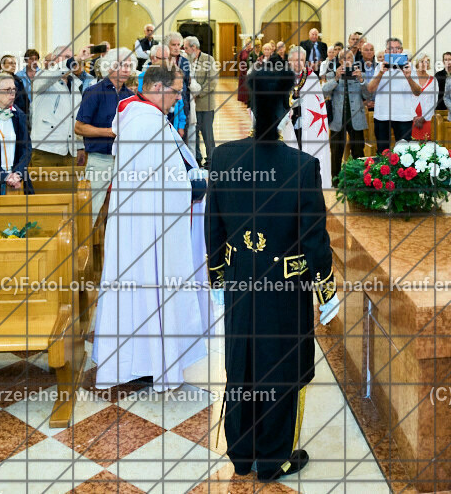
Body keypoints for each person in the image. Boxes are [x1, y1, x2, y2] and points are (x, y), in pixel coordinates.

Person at [206, 65, 339, 483]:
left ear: (248, 102)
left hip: (241, 281)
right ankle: (273, 459)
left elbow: (214, 224)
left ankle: (242, 454)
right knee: (280, 368)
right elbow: (314, 237)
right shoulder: (301, 166)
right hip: (285, 286)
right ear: (285, 108)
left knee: (242, 362)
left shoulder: (224, 156)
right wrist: (326, 288)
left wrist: (217, 275)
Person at [91, 64, 210, 393]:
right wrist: (193, 186)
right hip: (149, 228)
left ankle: (144, 359)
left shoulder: (140, 116)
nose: (177, 98)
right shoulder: (146, 122)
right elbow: (164, 182)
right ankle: (150, 360)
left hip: (143, 223)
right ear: (157, 88)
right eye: (174, 91)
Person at [75, 48, 137, 218]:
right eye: (121, 65)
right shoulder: (94, 92)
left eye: (129, 65)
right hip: (100, 159)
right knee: (91, 209)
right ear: (109, 67)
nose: (126, 69)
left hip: (124, 160)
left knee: (123, 209)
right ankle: (82, 244)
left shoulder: (131, 97)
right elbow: (79, 128)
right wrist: (110, 132)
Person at [281, 46, 332, 188]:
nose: (299, 63)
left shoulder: (311, 77)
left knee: (306, 153)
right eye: (295, 60)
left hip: (308, 124)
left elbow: (316, 104)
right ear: (289, 60)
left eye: (302, 60)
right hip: (288, 124)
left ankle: (308, 184)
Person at [29, 46, 85, 167]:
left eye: (71, 58)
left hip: (70, 151)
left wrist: (80, 147)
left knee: (70, 186)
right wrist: (75, 59)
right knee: (44, 185)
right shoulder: (42, 77)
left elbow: (76, 118)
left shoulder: (76, 85)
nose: (71, 61)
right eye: (66, 57)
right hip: (46, 149)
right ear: (54, 60)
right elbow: (51, 75)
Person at [367, 38, 424, 149]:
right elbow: (370, 89)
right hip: (382, 115)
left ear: (401, 50)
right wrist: (381, 73)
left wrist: (408, 77)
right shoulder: (379, 67)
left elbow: (418, 92)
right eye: (390, 49)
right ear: (386, 51)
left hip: (403, 116)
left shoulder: (409, 67)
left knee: (404, 153)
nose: (393, 51)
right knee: (383, 151)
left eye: (397, 48)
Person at [322, 49, 369, 176]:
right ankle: (335, 179)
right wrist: (336, 78)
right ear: (339, 60)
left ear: (353, 60)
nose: (346, 60)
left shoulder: (360, 74)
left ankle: (359, 178)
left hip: (356, 118)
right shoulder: (332, 74)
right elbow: (324, 92)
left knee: (358, 151)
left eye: (349, 58)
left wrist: (361, 80)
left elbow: (368, 94)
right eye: (343, 58)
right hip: (338, 119)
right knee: (336, 151)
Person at [185, 36, 219, 168]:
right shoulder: (186, 60)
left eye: (186, 47)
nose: (185, 50)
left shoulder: (208, 59)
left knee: (207, 134)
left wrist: (197, 94)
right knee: (194, 134)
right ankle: (197, 159)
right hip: (191, 105)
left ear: (194, 47)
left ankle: (211, 160)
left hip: (205, 103)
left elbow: (212, 82)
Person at [411, 55, 437, 141]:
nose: (424, 64)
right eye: (421, 61)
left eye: (426, 62)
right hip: (411, 119)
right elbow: (406, 99)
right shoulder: (411, 79)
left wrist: (424, 117)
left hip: (427, 119)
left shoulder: (433, 80)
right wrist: (413, 116)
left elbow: (434, 100)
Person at [237, 35, 255, 106]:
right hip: (243, 71)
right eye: (247, 43)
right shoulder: (242, 51)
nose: (248, 44)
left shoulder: (253, 51)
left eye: (250, 43)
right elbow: (240, 60)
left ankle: (250, 99)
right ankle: (244, 99)